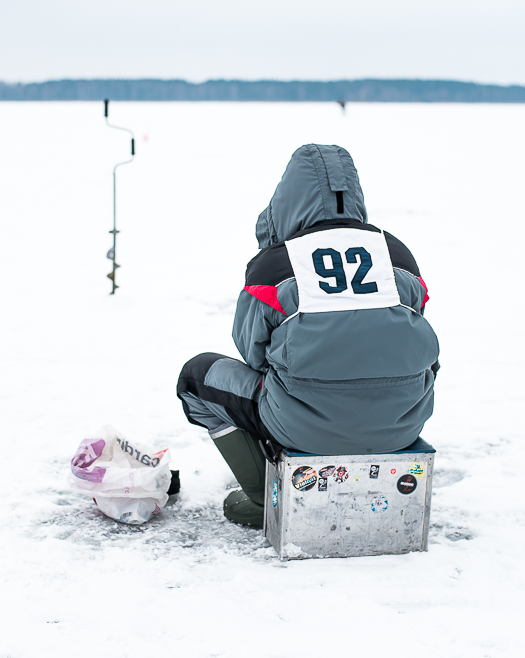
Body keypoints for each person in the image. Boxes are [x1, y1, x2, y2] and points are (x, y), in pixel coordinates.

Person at [177, 144, 440, 528]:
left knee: (196, 378)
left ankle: (267, 497)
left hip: (301, 427)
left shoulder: (275, 263)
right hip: (403, 423)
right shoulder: (396, 254)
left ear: (285, 201)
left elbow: (253, 355)